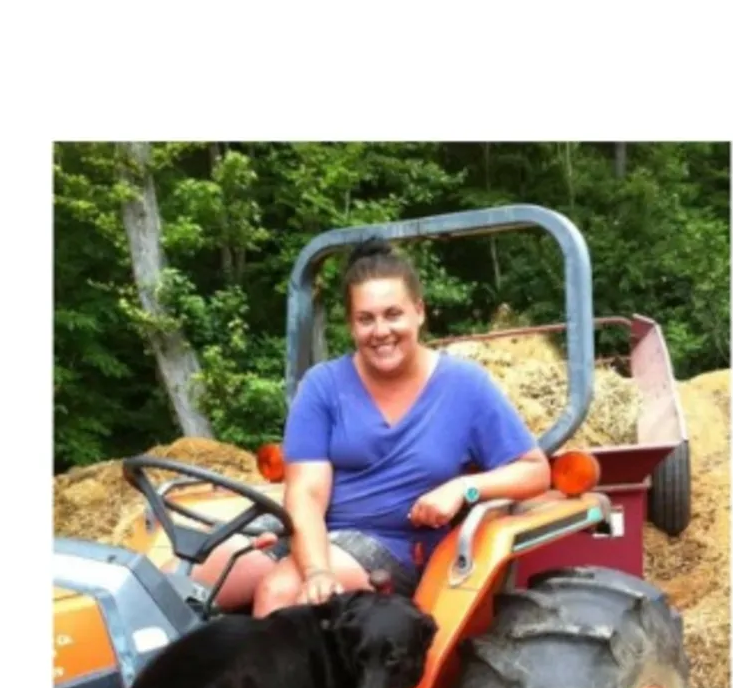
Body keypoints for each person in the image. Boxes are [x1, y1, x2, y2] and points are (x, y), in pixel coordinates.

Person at [196, 238, 551, 614]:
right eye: (366, 319)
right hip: (311, 535)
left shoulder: (465, 386)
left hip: (395, 545)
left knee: (282, 594)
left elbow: (534, 471)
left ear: (419, 311)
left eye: (393, 314)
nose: (381, 330)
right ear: (351, 325)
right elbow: (305, 496)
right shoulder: (323, 386)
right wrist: (316, 569)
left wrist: (465, 487)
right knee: (172, 581)